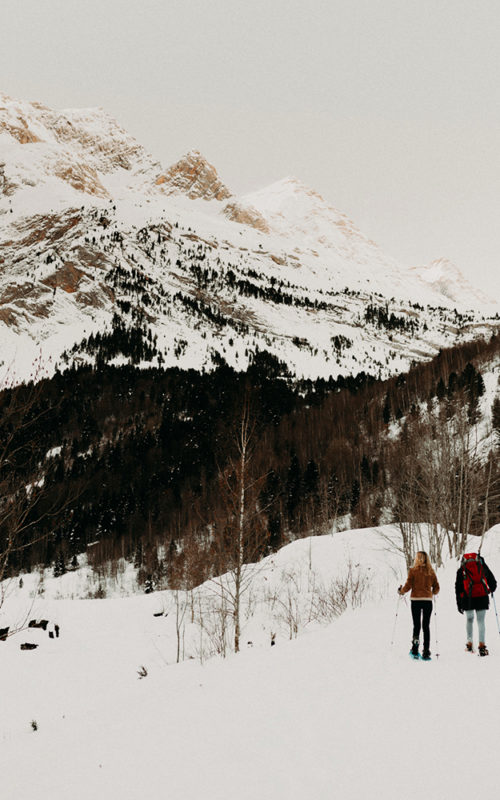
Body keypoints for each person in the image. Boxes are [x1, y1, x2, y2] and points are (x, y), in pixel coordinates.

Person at [398, 551, 440, 660]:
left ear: (417, 559)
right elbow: (437, 587)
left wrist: (401, 591)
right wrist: (433, 592)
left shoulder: (413, 571)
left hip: (416, 600)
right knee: (426, 626)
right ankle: (426, 652)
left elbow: (408, 585)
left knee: (416, 626)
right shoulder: (431, 571)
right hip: (427, 601)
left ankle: (415, 650)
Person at [455, 552, 497, 656]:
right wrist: (491, 589)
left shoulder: (462, 569)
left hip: (467, 597)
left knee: (469, 619)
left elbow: (458, 587)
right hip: (482, 596)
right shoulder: (482, 566)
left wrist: (459, 603)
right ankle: (482, 646)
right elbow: (492, 581)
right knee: (481, 621)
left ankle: (469, 644)